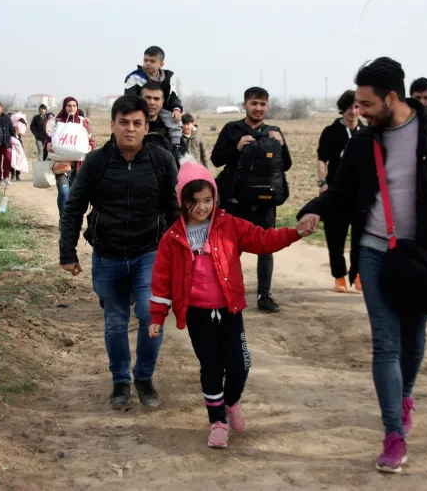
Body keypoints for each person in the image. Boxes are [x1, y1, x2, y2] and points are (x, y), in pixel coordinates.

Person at [297, 57, 427, 473]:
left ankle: (404, 397)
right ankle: (393, 434)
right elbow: (341, 190)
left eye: (366, 104)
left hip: (422, 256)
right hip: (375, 250)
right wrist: (313, 210)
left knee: (413, 340)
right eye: (357, 104)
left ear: (392, 98)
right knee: (386, 343)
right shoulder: (363, 142)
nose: (359, 111)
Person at [148, 157, 310, 449]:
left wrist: (294, 233)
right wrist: (157, 316)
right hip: (197, 315)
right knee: (211, 367)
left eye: (207, 200)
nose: (202, 207)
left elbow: (262, 239)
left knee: (240, 364)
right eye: (194, 201)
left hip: (230, 311)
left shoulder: (229, 225)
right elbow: (161, 279)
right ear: (182, 201)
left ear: (215, 198)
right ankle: (218, 421)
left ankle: (231, 402)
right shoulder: (172, 238)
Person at [59, 95, 178, 410]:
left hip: (150, 252)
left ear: (146, 127)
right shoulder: (95, 162)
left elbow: (174, 209)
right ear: (112, 125)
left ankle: (144, 377)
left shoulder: (162, 160)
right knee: (115, 321)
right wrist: (67, 252)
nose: (130, 128)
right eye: (123, 122)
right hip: (108, 256)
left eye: (137, 123)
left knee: (150, 313)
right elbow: (74, 207)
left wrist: (185, 253)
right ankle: (120, 381)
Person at [210, 87, 292, 313]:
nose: (258, 108)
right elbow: (216, 159)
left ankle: (264, 296)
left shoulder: (274, 131)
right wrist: (236, 148)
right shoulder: (231, 129)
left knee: (266, 249)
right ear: (245, 105)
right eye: (254, 103)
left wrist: (281, 145)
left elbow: (286, 165)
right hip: (235, 202)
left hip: (265, 202)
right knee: (230, 250)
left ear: (268, 106)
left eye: (262, 104)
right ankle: (225, 292)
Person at [317, 90, 366, 293]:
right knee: (335, 237)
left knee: (360, 238)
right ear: (342, 110)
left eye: (356, 107)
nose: (352, 112)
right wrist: (322, 183)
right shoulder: (331, 132)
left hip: (361, 194)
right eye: (348, 108)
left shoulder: (367, 132)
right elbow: (322, 159)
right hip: (336, 193)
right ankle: (339, 277)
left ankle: (358, 275)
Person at [44, 97, 94, 219]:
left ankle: (72, 219)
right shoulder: (56, 122)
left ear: (77, 108)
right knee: (64, 191)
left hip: (78, 166)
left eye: (74, 106)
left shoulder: (82, 122)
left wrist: (90, 146)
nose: (72, 108)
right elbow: (48, 139)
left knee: (74, 194)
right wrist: (48, 145)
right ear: (64, 107)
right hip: (61, 165)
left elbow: (91, 140)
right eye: (69, 106)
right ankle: (64, 219)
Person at [124, 45, 184, 147]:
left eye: (152, 61)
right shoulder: (135, 77)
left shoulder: (166, 79)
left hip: (162, 108)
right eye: (145, 60)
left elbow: (173, 97)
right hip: (141, 109)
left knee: (174, 119)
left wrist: (177, 109)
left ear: (161, 64)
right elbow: (130, 97)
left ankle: (176, 145)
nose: (148, 63)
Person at [141, 81, 185, 165]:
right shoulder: (130, 129)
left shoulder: (172, 132)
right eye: (148, 98)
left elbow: (181, 164)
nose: (152, 102)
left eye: (156, 99)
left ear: (163, 102)